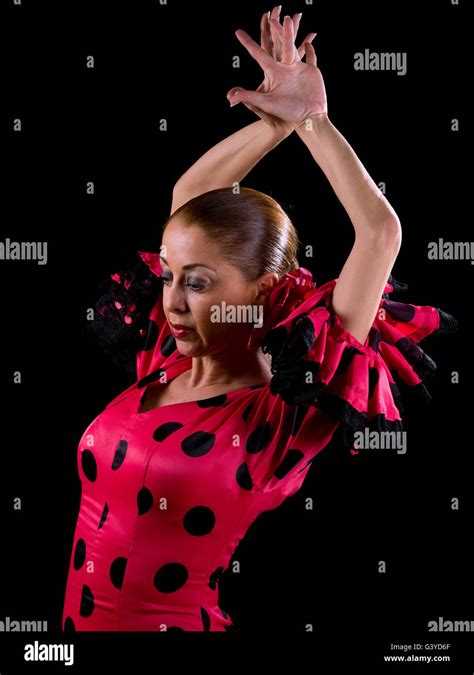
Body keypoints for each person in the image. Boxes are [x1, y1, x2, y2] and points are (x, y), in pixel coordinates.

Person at [62, 6, 457, 632]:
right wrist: (275, 124)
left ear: (262, 288)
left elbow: (380, 234)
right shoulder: (166, 355)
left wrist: (316, 124)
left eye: (196, 283)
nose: (171, 301)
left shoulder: (280, 408)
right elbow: (188, 204)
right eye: (168, 276)